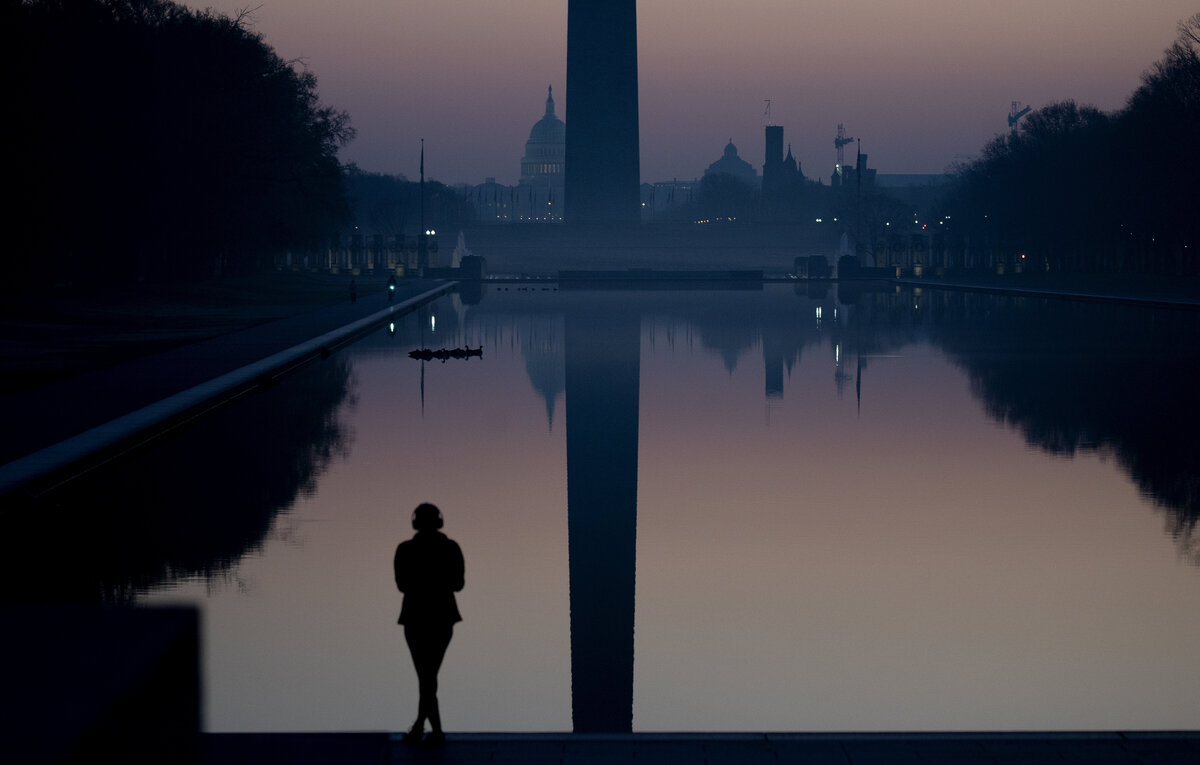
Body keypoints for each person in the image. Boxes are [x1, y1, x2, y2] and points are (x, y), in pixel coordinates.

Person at [394, 503, 464, 747]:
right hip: (443, 616)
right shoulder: (451, 548)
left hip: (415, 616)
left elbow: (402, 585)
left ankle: (425, 729)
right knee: (428, 675)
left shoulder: (404, 550)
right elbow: (458, 584)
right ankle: (431, 730)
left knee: (425, 675)